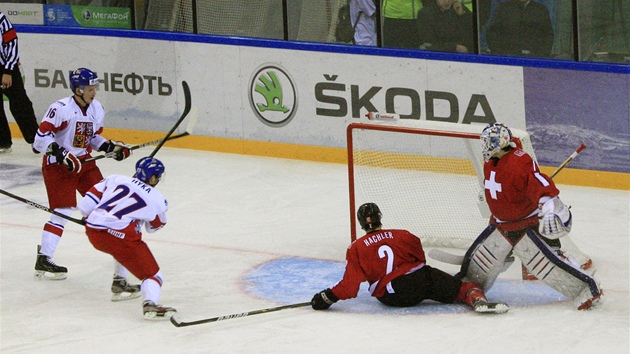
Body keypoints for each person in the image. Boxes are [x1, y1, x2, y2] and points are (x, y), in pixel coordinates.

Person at [456, 123, 602, 310]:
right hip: (500, 225)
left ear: (500, 142)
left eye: (488, 142)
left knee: (547, 267)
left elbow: (538, 183)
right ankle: (466, 287)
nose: (484, 147)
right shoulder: (491, 161)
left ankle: (588, 289)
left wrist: (551, 207)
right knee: (478, 265)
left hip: (524, 226)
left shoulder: (519, 162)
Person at [311, 202, 509, 314]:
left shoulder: (356, 248)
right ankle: (474, 297)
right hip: (419, 283)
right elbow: (420, 261)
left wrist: (326, 297)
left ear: (361, 223)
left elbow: (349, 286)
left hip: (391, 298)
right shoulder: (403, 235)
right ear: (380, 216)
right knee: (460, 287)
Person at [32, 67, 132, 281]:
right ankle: (44, 257)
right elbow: (40, 139)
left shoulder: (96, 108)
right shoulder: (60, 109)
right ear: (77, 89)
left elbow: (92, 138)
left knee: (106, 205)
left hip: (85, 163)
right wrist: (60, 153)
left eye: (94, 87)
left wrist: (110, 148)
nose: (93, 91)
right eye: (89, 88)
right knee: (63, 210)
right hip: (59, 166)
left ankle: (120, 254)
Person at [78, 157, 176, 320]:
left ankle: (119, 283)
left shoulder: (114, 179)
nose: (158, 180)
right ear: (152, 178)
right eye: (157, 176)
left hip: (94, 232)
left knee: (121, 251)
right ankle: (150, 304)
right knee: (153, 275)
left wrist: (91, 217)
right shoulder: (158, 199)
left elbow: (84, 207)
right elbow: (153, 228)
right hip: (120, 239)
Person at [0, 12, 39, 153]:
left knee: (20, 103)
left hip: (5, 68)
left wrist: (8, 71)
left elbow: (12, 43)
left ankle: (37, 140)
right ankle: (3, 142)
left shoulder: (1, 19)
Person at [486, 0, 554, 58]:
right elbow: (492, 34)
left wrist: (540, 57)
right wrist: (501, 55)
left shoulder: (541, 10)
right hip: (507, 59)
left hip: (533, 60)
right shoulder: (503, 8)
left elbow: (548, 36)